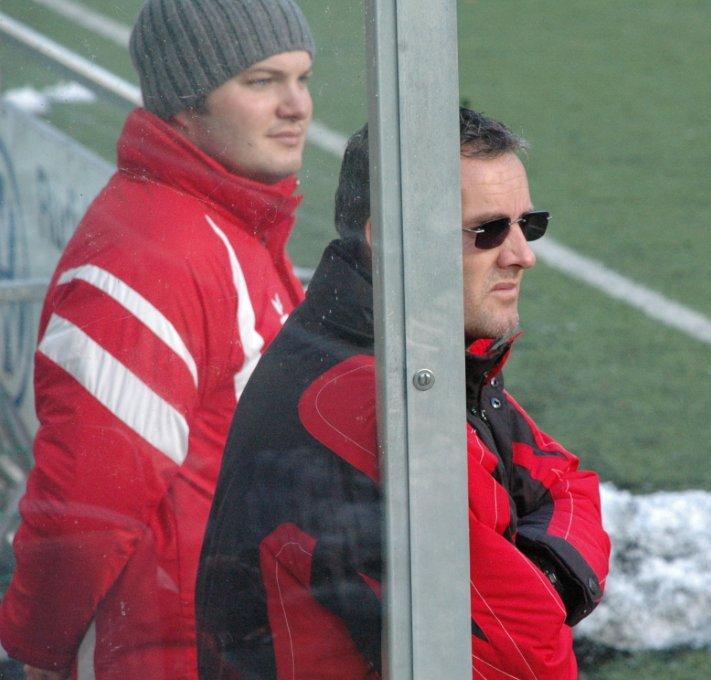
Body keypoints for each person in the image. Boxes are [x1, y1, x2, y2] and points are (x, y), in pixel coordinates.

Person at [195, 108, 611, 678]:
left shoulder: (413, 353)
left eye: (528, 224)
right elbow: (526, 655)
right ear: (390, 241)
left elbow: (566, 481)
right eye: (489, 231)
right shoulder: (374, 402)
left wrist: (543, 577)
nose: (523, 255)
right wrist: (541, 586)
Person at [0, 1, 316, 677]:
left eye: (302, 78)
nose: (297, 106)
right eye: (262, 81)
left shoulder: (233, 221)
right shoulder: (150, 259)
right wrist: (39, 648)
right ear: (186, 102)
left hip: (238, 637)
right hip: (167, 651)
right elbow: (86, 509)